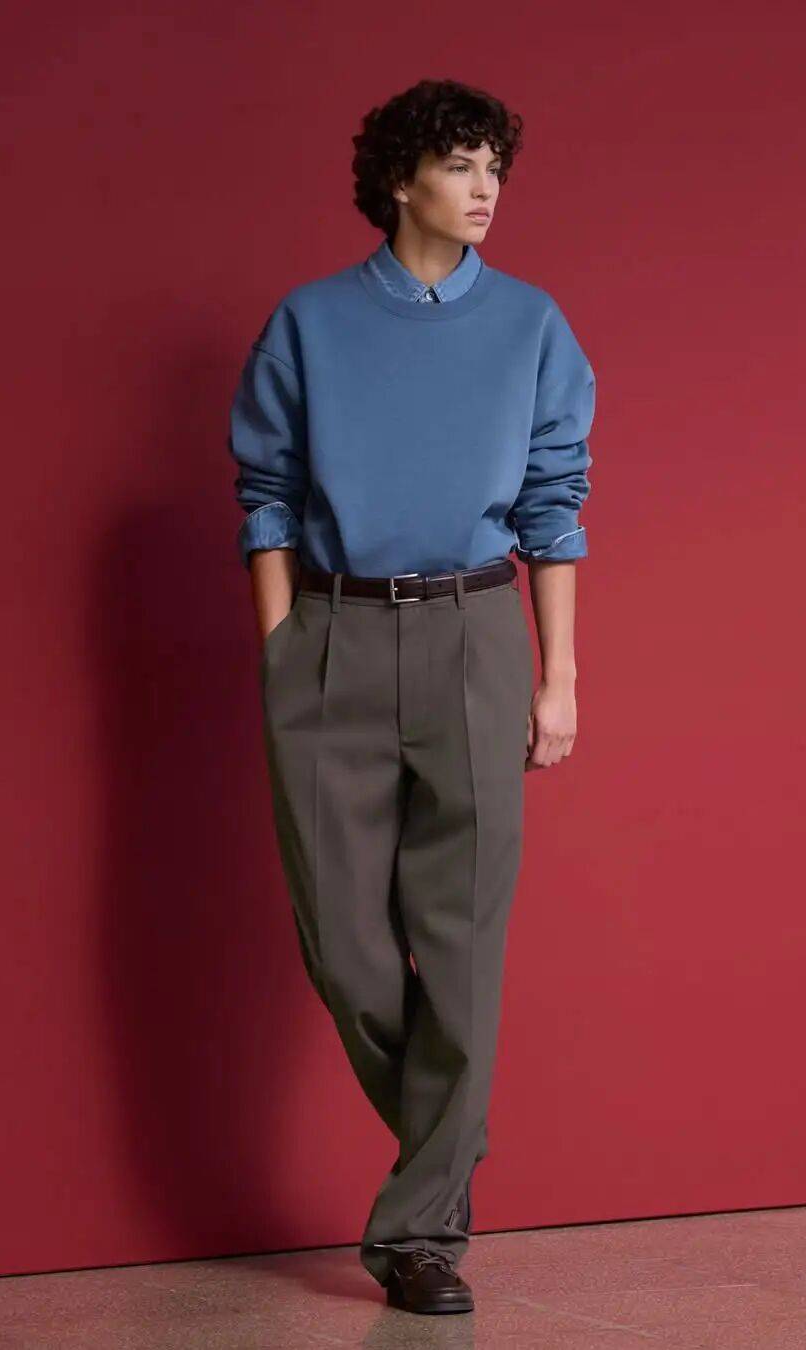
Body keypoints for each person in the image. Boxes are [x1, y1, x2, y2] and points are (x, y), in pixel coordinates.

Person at [226, 77, 595, 1316]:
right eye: (459, 163)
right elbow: (267, 492)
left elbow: (554, 509)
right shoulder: (311, 322)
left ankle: (420, 1233)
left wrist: (558, 676)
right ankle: (453, 1130)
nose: (486, 188)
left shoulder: (533, 325)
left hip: (477, 637)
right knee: (345, 946)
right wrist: (283, 645)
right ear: (400, 179)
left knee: (464, 944)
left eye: (496, 165)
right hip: (331, 634)